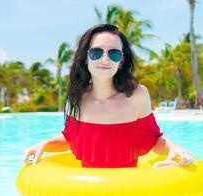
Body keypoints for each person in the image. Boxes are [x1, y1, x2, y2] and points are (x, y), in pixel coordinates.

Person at [23, 24, 194, 168]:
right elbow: (70, 137)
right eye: (96, 53)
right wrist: (45, 144)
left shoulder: (137, 95)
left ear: (121, 62)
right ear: (85, 58)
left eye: (114, 54)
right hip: (88, 191)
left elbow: (152, 140)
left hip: (127, 189)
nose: (105, 60)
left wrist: (173, 146)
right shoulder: (76, 97)